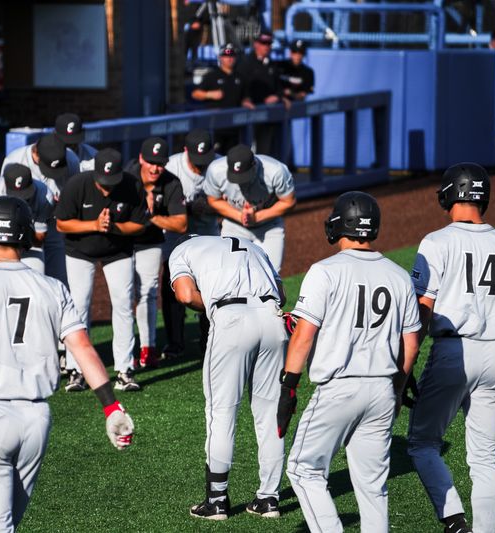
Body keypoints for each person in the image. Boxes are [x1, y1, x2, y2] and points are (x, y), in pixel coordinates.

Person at [0, 196, 134, 531]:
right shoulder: (52, 288)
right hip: (35, 422)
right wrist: (111, 407)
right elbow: (82, 348)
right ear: (26, 236)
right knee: (7, 523)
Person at [279, 191, 421, 532]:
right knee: (373, 486)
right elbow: (412, 344)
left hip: (339, 389)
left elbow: (303, 335)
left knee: (303, 469)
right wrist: (397, 390)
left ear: (340, 224)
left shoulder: (325, 271)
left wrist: (289, 386)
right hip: (382, 392)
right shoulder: (399, 275)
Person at [407, 163, 495, 533]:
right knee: (485, 460)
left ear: (449, 195)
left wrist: (408, 365)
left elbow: (422, 313)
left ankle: (454, 521)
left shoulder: (436, 242)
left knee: (422, 442)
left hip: (452, 352)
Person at [169, 234, 287, 521]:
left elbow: (185, 294)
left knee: (221, 411)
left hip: (231, 318)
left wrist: (211, 304)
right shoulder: (253, 246)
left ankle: (217, 501)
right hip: (273, 318)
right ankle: (269, 499)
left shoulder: (182, 248)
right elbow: (281, 294)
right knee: (270, 412)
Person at [55, 148, 147, 392]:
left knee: (123, 303)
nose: (107, 188)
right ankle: (77, 369)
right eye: (103, 182)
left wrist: (113, 227)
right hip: (79, 250)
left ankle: (125, 369)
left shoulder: (132, 185)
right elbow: (62, 223)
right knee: (78, 305)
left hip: (118, 250)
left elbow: (139, 224)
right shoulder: (77, 185)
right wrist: (94, 225)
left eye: (111, 182)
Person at [125, 137, 187, 368]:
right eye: (150, 161)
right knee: (124, 296)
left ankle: (147, 349)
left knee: (148, 293)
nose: (154, 167)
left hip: (150, 241)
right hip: (123, 241)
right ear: (141, 158)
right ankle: (125, 350)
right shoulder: (126, 177)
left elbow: (181, 224)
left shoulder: (171, 182)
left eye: (159, 163)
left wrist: (151, 216)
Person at [161, 129, 219, 358]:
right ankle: (175, 342)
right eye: (196, 160)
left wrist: (212, 207)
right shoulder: (172, 166)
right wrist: (186, 209)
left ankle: (208, 339)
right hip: (174, 235)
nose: (200, 166)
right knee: (172, 283)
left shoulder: (219, 166)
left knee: (210, 284)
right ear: (186, 151)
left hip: (208, 233)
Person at [204, 144, 295, 273]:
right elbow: (213, 200)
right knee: (231, 273)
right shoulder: (216, 170)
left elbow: (289, 201)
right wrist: (239, 216)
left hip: (269, 226)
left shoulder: (275, 171)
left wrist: (257, 217)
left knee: (271, 275)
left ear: (254, 165)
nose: (241, 182)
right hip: (234, 226)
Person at [1, 133, 78, 284]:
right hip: (27, 224)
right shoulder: (14, 161)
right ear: (36, 153)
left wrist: (65, 205)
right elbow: (7, 202)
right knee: (30, 279)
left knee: (59, 279)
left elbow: (76, 195)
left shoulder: (71, 159)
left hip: (56, 223)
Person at [0, 163, 54, 273]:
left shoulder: (45, 195)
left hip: (29, 246)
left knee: (35, 284)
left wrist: (17, 232)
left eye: (24, 196)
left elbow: (39, 239)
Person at [191, 43, 247, 152]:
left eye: (231, 56)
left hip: (234, 126)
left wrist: (247, 101)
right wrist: (209, 94)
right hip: (216, 126)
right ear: (220, 58)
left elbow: (245, 96)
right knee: (216, 157)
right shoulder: (212, 76)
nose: (229, 59)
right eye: (226, 56)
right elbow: (195, 93)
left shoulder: (240, 77)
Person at [235, 30, 283, 155]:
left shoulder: (272, 64)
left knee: (264, 152)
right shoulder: (245, 63)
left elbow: (278, 87)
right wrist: (246, 99)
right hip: (248, 113)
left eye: (269, 44)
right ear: (256, 44)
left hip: (266, 114)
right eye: (263, 43)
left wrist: (277, 96)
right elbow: (240, 87)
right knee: (244, 151)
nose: (266, 46)